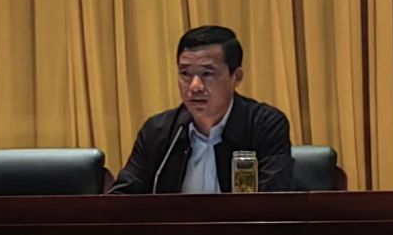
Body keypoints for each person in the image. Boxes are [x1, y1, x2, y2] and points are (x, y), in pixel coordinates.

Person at [110, 25, 294, 193]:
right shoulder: (158, 131)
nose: (195, 86)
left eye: (207, 73)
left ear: (236, 77)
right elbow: (122, 199)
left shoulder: (263, 125)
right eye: (185, 74)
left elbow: (275, 202)